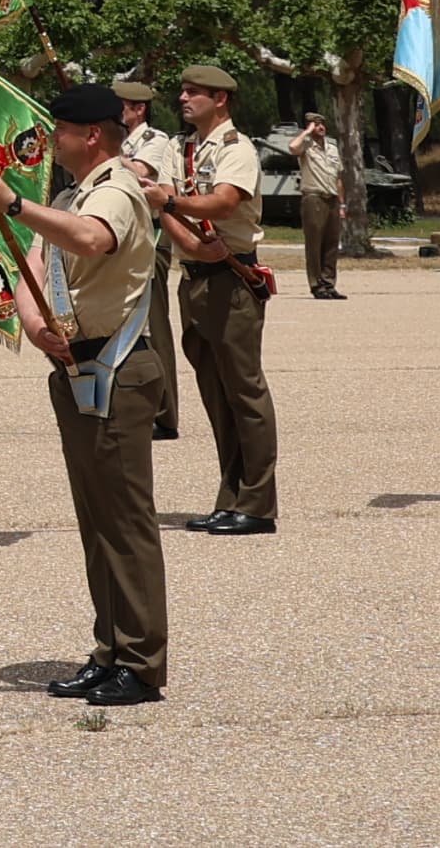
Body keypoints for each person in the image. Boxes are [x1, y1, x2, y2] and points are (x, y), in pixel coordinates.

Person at [0, 79, 166, 706]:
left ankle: (141, 662)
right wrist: (34, 324)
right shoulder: (69, 194)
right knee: (97, 523)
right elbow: (39, 262)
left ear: (91, 135)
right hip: (75, 367)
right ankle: (110, 647)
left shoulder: (116, 190)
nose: (52, 140)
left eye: (60, 130)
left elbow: (90, 239)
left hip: (118, 369)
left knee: (126, 523)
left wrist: (13, 205)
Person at [155, 64, 275, 537]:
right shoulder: (180, 147)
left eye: (194, 92)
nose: (183, 98)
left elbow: (224, 202)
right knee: (216, 396)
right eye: (183, 91)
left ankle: (259, 503)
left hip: (232, 278)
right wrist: (188, 242)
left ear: (220, 99)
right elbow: (164, 201)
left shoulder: (236, 148)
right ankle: (231, 498)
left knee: (244, 392)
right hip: (195, 276)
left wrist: (169, 205)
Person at [116, 79, 183, 440]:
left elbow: (142, 173)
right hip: (122, 237)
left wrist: (108, 151)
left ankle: (166, 413)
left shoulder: (154, 140)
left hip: (150, 237)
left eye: (120, 105)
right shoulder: (119, 140)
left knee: (154, 325)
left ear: (138, 109)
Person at [282, 109, 349, 300]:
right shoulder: (306, 146)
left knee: (331, 243)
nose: (320, 127)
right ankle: (316, 284)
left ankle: (329, 283)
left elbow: (338, 178)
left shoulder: (332, 148)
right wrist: (306, 132)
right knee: (314, 244)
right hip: (314, 198)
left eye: (322, 124)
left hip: (332, 198)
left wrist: (342, 204)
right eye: (316, 124)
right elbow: (292, 147)